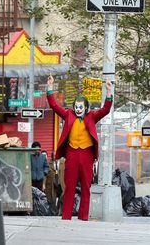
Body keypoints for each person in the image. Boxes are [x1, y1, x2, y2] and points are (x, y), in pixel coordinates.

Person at [46, 74, 113, 220]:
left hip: (87, 154)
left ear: (86, 108)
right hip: (71, 153)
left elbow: (105, 110)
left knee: (86, 187)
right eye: (76, 107)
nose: (77, 109)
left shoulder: (91, 116)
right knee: (69, 186)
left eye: (80, 107)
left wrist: (109, 93)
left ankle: (83, 216)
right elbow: (54, 106)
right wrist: (50, 88)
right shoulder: (68, 115)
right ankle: (66, 216)